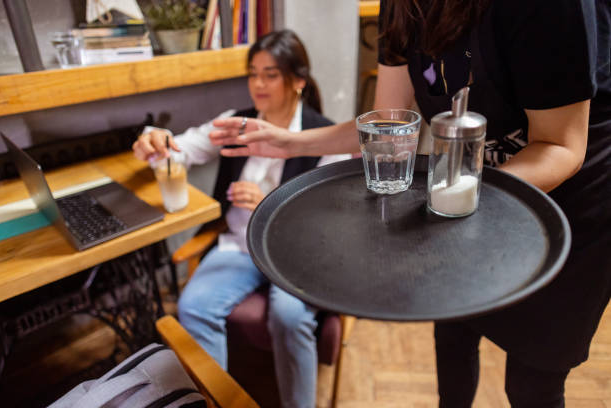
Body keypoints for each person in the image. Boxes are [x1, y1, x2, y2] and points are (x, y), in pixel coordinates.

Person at [208, 1, 611, 406]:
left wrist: (457, 191)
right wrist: (288, 142)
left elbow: (560, 146)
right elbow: (386, 120)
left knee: (531, 379)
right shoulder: (401, 7)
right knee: (454, 329)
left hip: (577, 191)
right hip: (468, 174)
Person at [132, 29, 350, 408]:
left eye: (270, 74)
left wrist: (269, 203)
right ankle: (218, 400)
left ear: (297, 80)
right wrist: (155, 138)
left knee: (288, 314)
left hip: (295, 254)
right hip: (238, 246)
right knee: (193, 305)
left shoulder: (324, 137)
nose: (258, 84)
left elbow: (328, 225)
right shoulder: (237, 122)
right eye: (253, 73)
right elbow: (181, 149)